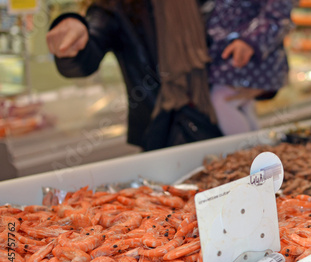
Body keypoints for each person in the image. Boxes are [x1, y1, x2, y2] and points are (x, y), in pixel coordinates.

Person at [46, 0, 221, 151]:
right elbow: (86, 59)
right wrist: (71, 40)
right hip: (161, 132)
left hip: (223, 119)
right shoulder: (115, 7)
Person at [206, 0, 293, 136]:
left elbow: (277, 15)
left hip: (248, 59)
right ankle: (253, 149)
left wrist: (250, 41)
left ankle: (244, 151)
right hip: (235, 57)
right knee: (241, 104)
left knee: (222, 100)